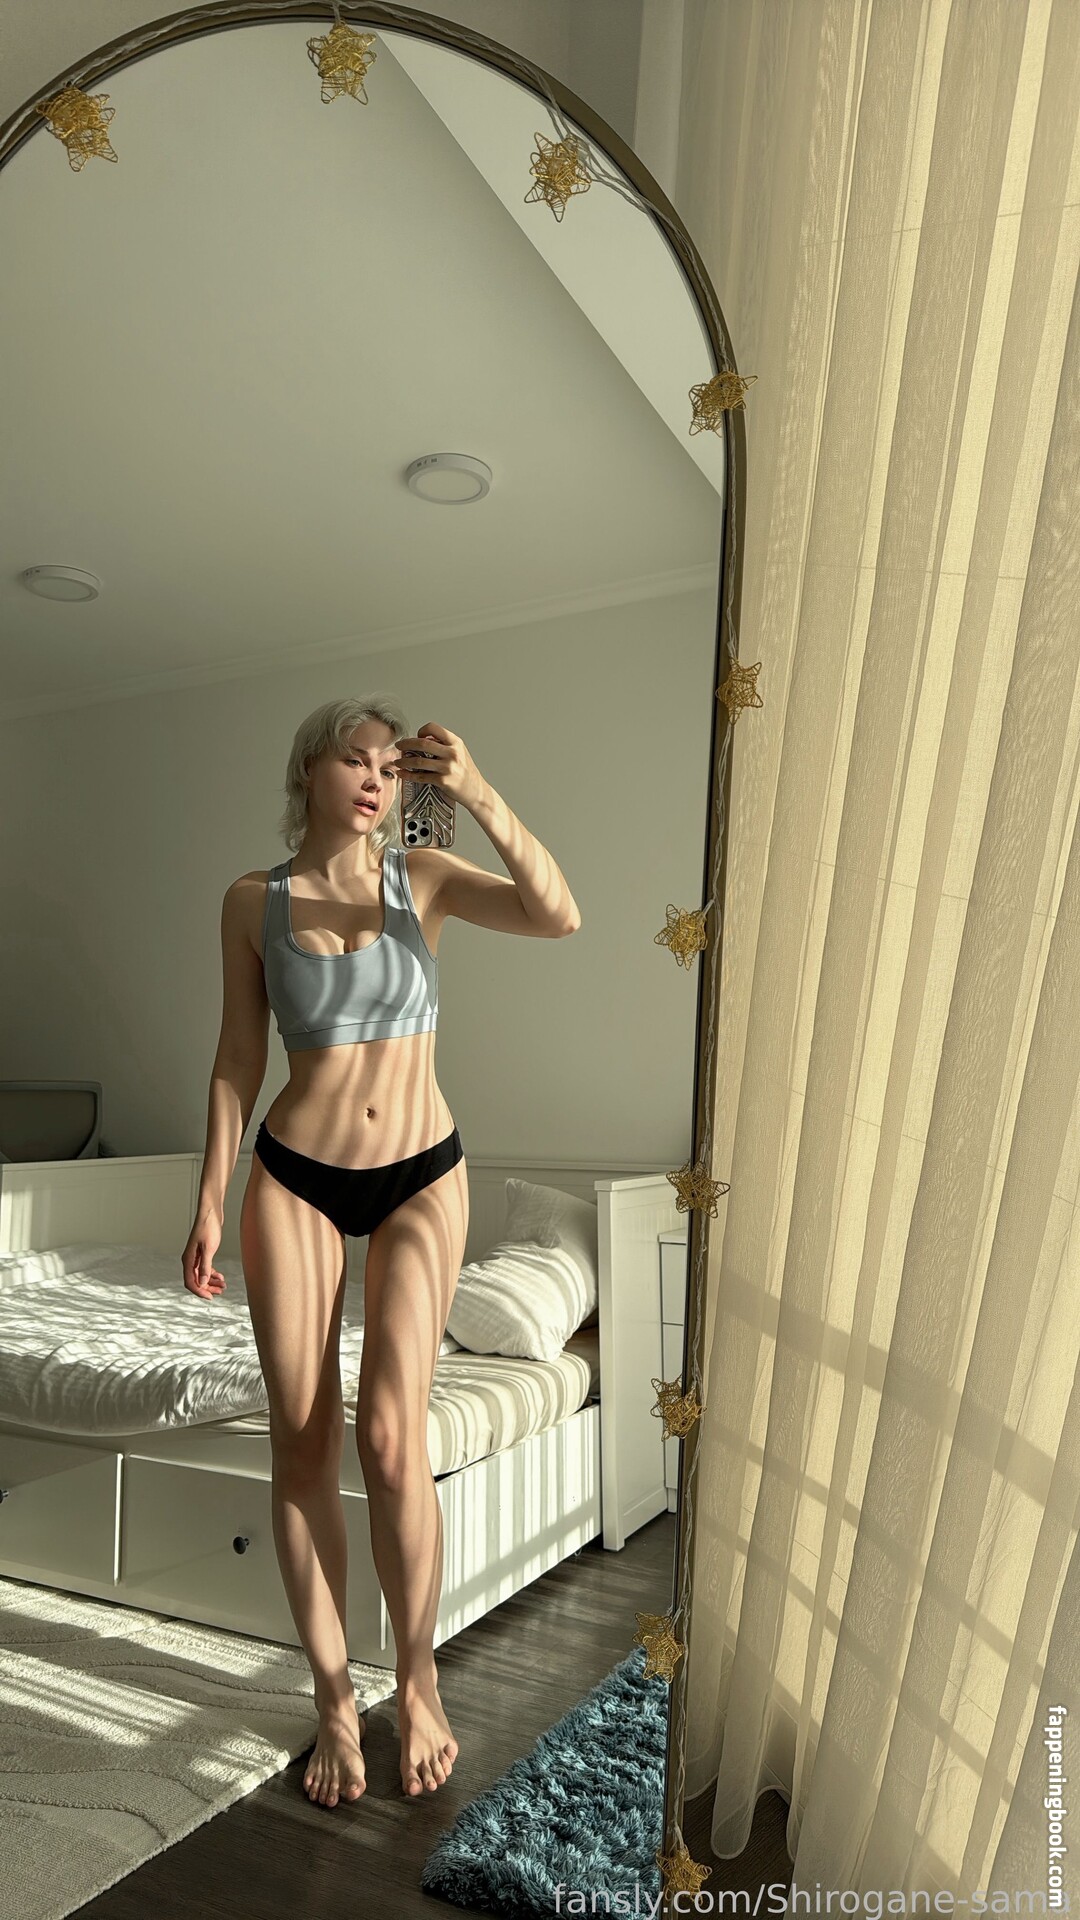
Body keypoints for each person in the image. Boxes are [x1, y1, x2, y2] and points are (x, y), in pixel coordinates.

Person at [181, 695, 580, 1811]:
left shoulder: (425, 879)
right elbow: (236, 1057)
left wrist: (475, 791)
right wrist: (208, 1199)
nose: (374, 778)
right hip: (294, 1179)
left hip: (419, 1176)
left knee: (393, 1440)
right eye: (353, 759)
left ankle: (417, 1679)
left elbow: (558, 915)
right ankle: (331, 1699)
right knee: (302, 1442)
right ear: (308, 772)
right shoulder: (251, 901)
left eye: (389, 767)